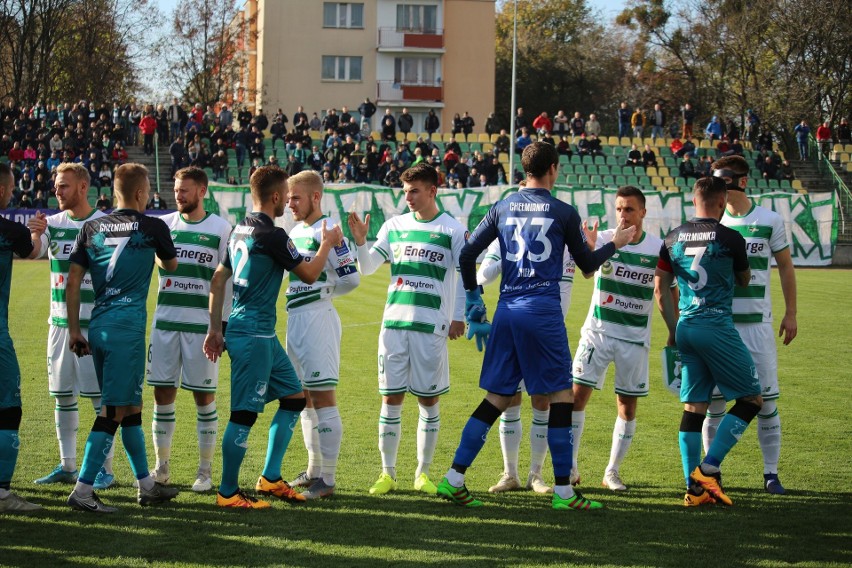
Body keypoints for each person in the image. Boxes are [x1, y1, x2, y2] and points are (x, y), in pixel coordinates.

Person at [435, 142, 635, 510]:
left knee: (497, 397)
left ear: (523, 169)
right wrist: (616, 243)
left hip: (508, 310)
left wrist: (475, 300)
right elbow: (588, 265)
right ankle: (563, 492)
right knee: (560, 396)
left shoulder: (503, 206)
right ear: (554, 169)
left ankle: (453, 479)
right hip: (543, 311)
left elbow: (466, 255)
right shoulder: (562, 211)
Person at [203, 166, 342, 509]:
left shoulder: (239, 230)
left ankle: (270, 477)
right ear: (277, 196)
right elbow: (309, 274)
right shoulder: (274, 234)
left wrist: (216, 328)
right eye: (286, 196)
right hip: (253, 334)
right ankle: (227, 492)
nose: (286, 205)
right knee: (244, 414)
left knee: (294, 398)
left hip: (256, 331)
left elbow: (218, 280)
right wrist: (326, 244)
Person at [65, 163, 180, 513]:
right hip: (126, 332)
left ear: (115, 192)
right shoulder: (153, 226)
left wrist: (74, 330)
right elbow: (171, 266)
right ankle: (83, 490)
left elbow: (72, 281)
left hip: (98, 326)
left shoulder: (92, 228)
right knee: (112, 411)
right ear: (142, 193)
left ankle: (146, 485)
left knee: (131, 409)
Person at [347, 163, 466, 497]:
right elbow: (369, 267)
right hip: (394, 325)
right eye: (405, 192)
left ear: (433, 190)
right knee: (391, 399)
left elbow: (463, 274)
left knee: (428, 401)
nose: (409, 198)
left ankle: (422, 474)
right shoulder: (393, 226)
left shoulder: (452, 230)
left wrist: (458, 317)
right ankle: (388, 474)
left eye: (415, 191)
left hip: (431, 326)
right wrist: (360, 243)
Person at [655, 175, 762, 507]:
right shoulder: (731, 237)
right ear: (722, 202)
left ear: (693, 200)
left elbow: (660, 291)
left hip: (686, 325)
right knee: (751, 400)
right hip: (715, 325)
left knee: (694, 406)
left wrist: (673, 330)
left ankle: (693, 490)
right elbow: (744, 279)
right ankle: (707, 469)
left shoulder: (672, 238)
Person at [703, 156, 797, 495]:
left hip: (758, 325)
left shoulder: (770, 220)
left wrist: (791, 313)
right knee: (714, 404)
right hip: (719, 324)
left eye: (722, 181)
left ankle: (770, 473)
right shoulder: (710, 223)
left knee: (767, 402)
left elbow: (786, 266)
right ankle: (711, 472)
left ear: (741, 182)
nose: (718, 188)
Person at [477, 186, 577, 495]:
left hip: (547, 329)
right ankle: (510, 474)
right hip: (520, 325)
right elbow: (484, 274)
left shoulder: (563, 230)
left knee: (542, 400)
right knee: (509, 400)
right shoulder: (506, 237)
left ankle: (537, 474)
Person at [571, 187, 670, 491]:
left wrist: (675, 332)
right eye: (619, 209)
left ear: (643, 212)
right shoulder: (605, 239)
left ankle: (611, 471)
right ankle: (571, 468)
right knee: (576, 398)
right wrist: (593, 247)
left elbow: (665, 290)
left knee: (627, 406)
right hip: (597, 333)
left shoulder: (658, 247)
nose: (623, 215)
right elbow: (587, 271)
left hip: (634, 338)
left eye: (629, 209)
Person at [26, 164, 117, 491]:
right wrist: (35, 233)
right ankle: (67, 466)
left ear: (82, 187)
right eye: (56, 185)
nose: (57, 191)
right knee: (63, 397)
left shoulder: (105, 225)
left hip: (95, 327)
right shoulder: (53, 223)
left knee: (99, 399)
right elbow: (35, 252)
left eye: (63, 186)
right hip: (60, 325)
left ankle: (104, 469)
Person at [145, 167, 233, 494]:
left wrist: (219, 327)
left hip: (202, 329)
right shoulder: (163, 225)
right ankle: (162, 467)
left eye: (185, 190)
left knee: (204, 398)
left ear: (202, 191)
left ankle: (205, 471)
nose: (178, 195)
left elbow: (227, 283)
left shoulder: (221, 229)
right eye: (177, 189)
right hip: (165, 324)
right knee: (162, 395)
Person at [284, 171, 360, 499]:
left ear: (315, 197)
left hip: (317, 319)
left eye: (296, 198)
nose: (290, 204)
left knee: (324, 396)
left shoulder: (327, 229)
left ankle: (327, 480)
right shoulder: (296, 231)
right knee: (304, 398)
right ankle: (314, 468)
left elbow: (351, 279)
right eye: (288, 198)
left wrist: (324, 291)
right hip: (296, 320)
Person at [0, 163, 40, 512]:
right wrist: (37, 232)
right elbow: (31, 251)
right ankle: (2, 492)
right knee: (9, 408)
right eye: (11, 188)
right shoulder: (9, 231)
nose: (13, 193)